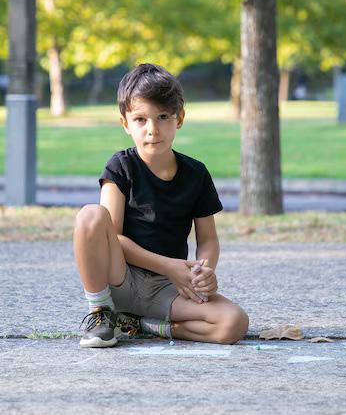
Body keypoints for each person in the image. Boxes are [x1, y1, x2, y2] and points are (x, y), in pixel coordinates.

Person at [74, 63, 249, 348]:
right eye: (140, 119)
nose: (152, 130)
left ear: (179, 118)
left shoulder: (196, 174)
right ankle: (102, 314)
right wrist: (168, 266)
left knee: (233, 323)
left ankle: (143, 325)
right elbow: (114, 238)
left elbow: (208, 239)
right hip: (120, 279)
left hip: (169, 289)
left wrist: (203, 272)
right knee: (90, 215)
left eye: (163, 117)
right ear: (125, 124)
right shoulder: (121, 167)